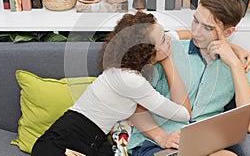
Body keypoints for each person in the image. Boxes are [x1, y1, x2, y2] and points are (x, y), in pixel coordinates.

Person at [31, 11, 193, 156]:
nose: (169, 40)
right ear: (148, 51)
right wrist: (168, 59)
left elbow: (175, 35)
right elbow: (184, 113)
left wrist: (200, 35)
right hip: (62, 143)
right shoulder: (130, 80)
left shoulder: (125, 62)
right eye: (164, 39)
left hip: (94, 143)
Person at [127, 0, 250, 156]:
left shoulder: (239, 65)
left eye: (207, 27)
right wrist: (161, 137)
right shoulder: (168, 49)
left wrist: (235, 64)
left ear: (228, 32)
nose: (197, 32)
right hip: (157, 145)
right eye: (195, 20)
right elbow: (133, 103)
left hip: (202, 147)